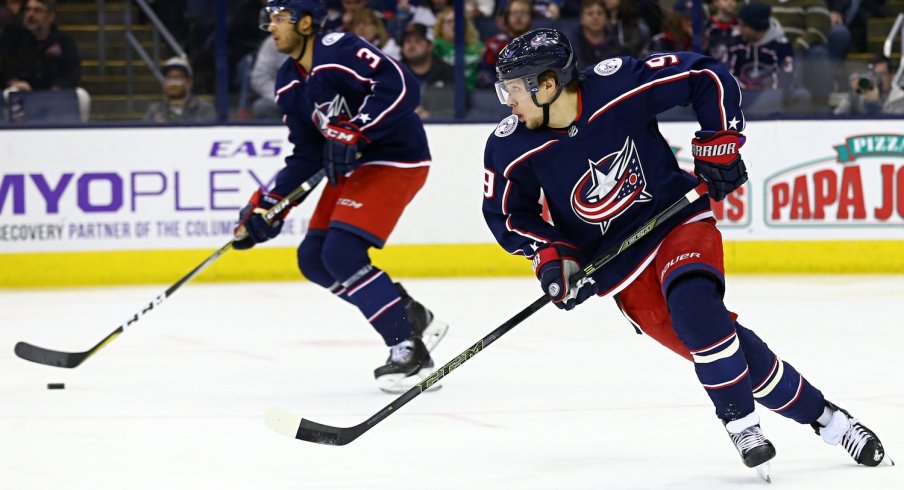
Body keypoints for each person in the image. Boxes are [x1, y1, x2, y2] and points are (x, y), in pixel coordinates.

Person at [483, 27, 890, 478]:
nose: (508, 101)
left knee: (697, 311)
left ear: (547, 83)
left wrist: (718, 146)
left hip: (677, 221)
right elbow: (508, 215)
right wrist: (555, 258)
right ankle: (830, 421)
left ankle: (740, 424)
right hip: (620, 268)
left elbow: (706, 75)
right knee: (727, 351)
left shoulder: (616, 86)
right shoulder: (508, 147)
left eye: (515, 89)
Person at [236, 0, 449, 393]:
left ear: (304, 22)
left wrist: (357, 128)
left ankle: (409, 348)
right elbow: (306, 155)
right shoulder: (288, 82)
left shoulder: (338, 48)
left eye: (280, 19)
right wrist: (270, 204)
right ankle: (409, 315)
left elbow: (401, 84)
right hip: (354, 167)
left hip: (396, 158)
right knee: (314, 259)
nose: (271, 27)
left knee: (342, 254)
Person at [0, 0, 90, 121]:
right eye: (28, 10)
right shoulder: (12, 38)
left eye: (37, 10)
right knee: (10, 94)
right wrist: (14, 81)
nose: (30, 15)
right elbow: (4, 65)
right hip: (23, 94)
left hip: (55, 96)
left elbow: (72, 72)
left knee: (82, 95)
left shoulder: (64, 41)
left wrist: (57, 88)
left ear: (50, 16)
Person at [726, 2, 797, 115]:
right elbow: (728, 74)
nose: (739, 29)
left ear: (757, 27)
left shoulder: (782, 46)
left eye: (743, 26)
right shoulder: (736, 40)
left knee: (800, 95)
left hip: (771, 99)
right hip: (741, 96)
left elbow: (785, 81)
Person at [400, 22, 454, 119]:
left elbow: (455, 109)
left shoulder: (448, 73)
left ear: (430, 46)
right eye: (408, 41)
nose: (411, 45)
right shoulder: (395, 72)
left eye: (418, 41)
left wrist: (431, 116)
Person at [476, 0, 532, 88]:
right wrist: (510, 87)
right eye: (514, 13)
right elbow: (483, 77)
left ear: (531, 17)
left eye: (523, 13)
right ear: (507, 17)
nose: (518, 17)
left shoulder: (538, 45)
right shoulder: (494, 45)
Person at [144, 56, 216, 123]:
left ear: (189, 82)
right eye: (169, 78)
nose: (173, 83)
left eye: (177, 78)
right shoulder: (155, 110)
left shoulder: (204, 109)